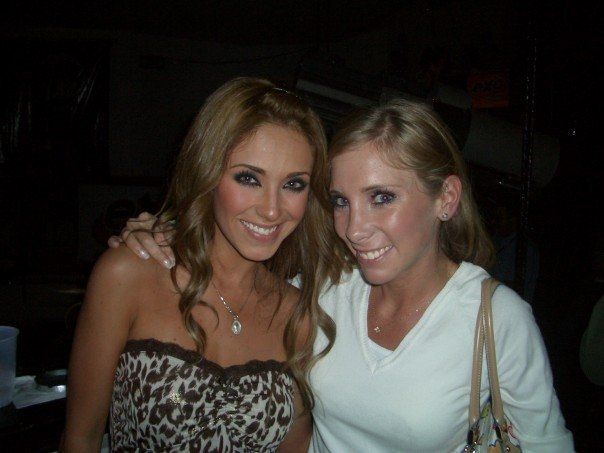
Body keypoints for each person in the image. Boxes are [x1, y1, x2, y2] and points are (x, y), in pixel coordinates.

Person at [115, 99, 574, 451]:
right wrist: (166, 235)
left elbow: (547, 444)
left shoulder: (495, 318)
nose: (353, 229)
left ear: (446, 199)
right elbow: (235, 278)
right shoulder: (325, 288)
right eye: (341, 201)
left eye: (381, 197)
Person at [64, 77, 347, 452]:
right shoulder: (128, 274)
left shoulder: (297, 312)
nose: (272, 210)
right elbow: (80, 438)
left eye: (293, 184)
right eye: (248, 178)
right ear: (207, 173)